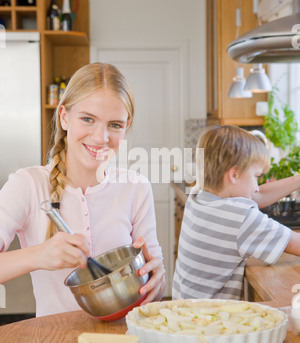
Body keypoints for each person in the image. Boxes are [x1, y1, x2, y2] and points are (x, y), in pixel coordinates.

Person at [0, 62, 165, 317]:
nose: (101, 137)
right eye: (88, 119)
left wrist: (156, 280)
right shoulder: (28, 185)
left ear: (126, 126)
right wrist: (37, 255)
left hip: (123, 342)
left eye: (115, 125)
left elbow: (152, 285)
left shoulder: (136, 187)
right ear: (65, 117)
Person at [172, 125, 300, 301]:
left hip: (183, 314)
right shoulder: (241, 218)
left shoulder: (198, 196)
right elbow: (296, 244)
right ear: (234, 174)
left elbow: (257, 195)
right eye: (256, 176)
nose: (256, 186)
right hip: (212, 321)